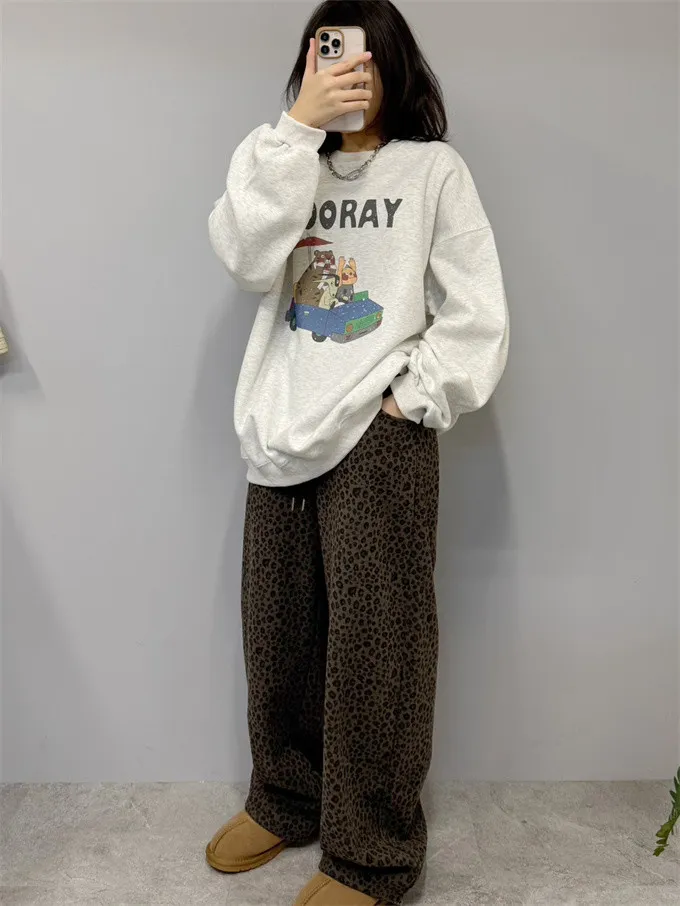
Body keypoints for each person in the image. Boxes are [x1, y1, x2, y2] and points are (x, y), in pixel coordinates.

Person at [205, 2, 508, 904]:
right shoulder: (276, 156)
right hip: (280, 424)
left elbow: (477, 309)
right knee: (279, 634)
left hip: (379, 433)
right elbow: (245, 259)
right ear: (308, 64)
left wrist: (411, 400)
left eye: (368, 56)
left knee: (382, 643)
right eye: (331, 53)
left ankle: (372, 850)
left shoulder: (432, 171)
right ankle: (287, 796)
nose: (351, 71)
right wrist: (297, 130)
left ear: (398, 66)